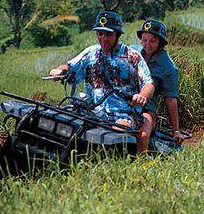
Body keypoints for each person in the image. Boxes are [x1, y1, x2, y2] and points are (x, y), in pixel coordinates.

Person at [49, 11, 155, 154]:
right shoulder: (91, 53)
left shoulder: (132, 56)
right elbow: (70, 66)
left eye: (108, 35)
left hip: (123, 113)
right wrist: (60, 71)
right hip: (91, 110)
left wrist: (142, 96)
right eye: (100, 34)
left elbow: (148, 83)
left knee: (115, 135)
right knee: (60, 122)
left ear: (117, 34)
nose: (103, 38)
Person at [135, 20, 184, 146]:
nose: (147, 45)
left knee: (143, 135)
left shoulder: (168, 67)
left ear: (160, 42)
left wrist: (176, 130)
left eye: (152, 41)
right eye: (145, 40)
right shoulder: (135, 55)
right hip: (125, 101)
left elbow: (171, 100)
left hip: (146, 107)